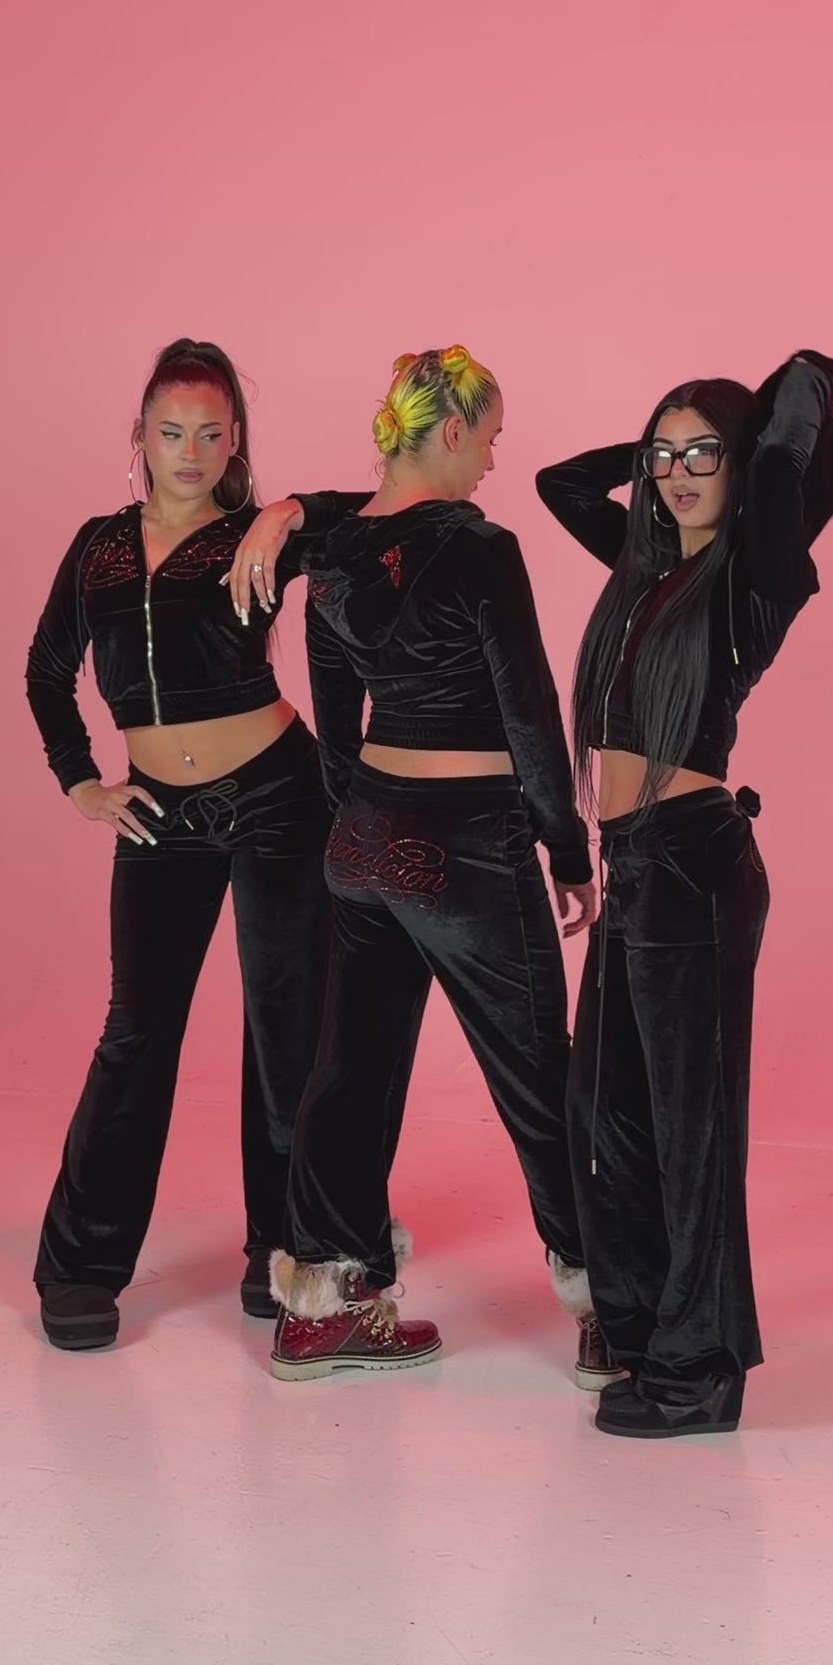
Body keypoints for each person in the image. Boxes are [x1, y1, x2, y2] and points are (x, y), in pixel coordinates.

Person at [230, 348, 602, 1384]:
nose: (492, 460)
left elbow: (335, 723)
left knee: (350, 1069)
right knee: (538, 1072)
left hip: (363, 842)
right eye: (489, 437)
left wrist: (359, 828)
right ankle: (614, 1308)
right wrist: (566, 845)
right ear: (448, 432)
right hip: (469, 843)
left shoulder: (336, 556)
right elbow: (530, 710)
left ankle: (325, 1307)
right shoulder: (482, 549)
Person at [536, 349, 833, 1439]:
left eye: (701, 455)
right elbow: (559, 485)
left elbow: (811, 388)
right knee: (606, 1115)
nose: (679, 474)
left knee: (693, 1132)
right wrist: (652, 453)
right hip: (632, 864)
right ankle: (642, 1333)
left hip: (693, 866)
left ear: (742, 466)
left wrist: (764, 436)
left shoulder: (756, 575)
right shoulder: (642, 567)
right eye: (665, 455)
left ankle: (702, 1370)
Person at [23, 337, 367, 1351]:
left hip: (276, 798)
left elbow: (377, 515)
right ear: (139, 436)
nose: (190, 451)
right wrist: (81, 781)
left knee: (286, 1029)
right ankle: (82, 1263)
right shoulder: (99, 546)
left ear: (234, 441)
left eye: (211, 433)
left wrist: (287, 509)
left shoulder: (252, 538)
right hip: (158, 816)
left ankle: (287, 1251)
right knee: (137, 1030)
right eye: (171, 432)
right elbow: (46, 671)